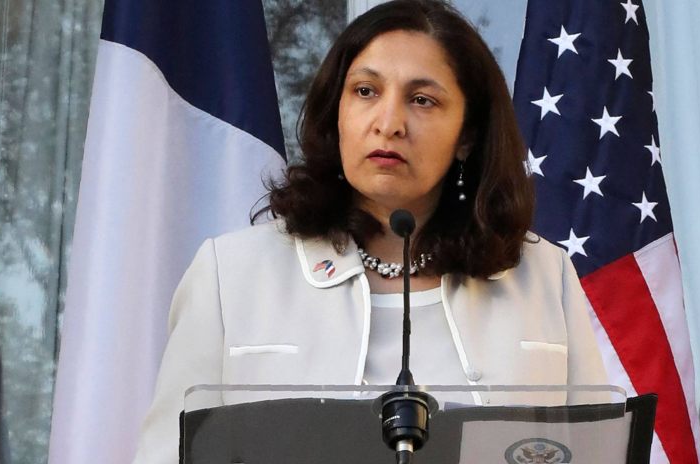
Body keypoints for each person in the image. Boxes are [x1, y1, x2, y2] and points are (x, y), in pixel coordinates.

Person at [133, 0, 607, 461]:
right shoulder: (230, 275)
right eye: (365, 91)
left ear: (467, 135)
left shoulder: (544, 276)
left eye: (422, 100)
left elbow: (599, 449)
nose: (389, 123)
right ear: (336, 113)